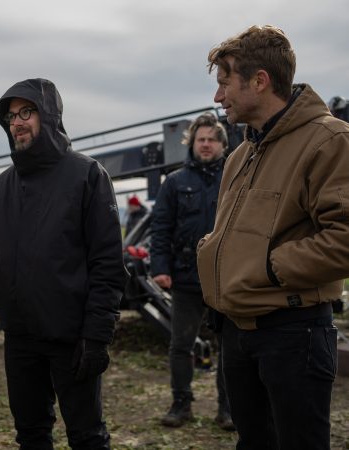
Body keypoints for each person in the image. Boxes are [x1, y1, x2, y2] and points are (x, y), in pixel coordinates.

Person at [0, 78, 125, 449]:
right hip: (20, 336)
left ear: (49, 115)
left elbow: (107, 264)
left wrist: (97, 337)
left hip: (72, 336)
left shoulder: (87, 175)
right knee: (30, 434)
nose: (17, 122)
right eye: (11, 116)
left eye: (26, 112)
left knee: (87, 436)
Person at [197, 25, 349, 449]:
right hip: (237, 332)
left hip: (293, 335)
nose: (218, 97)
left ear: (259, 81)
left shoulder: (330, 140)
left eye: (225, 82)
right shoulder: (241, 155)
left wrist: (268, 267)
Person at [149, 112, 233, 430]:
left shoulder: (234, 178)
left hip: (226, 276)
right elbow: (161, 228)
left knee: (230, 347)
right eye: (201, 139)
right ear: (192, 143)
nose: (207, 144)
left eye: (212, 139)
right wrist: (160, 268)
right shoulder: (174, 182)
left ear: (223, 144)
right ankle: (181, 405)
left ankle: (228, 408)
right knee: (181, 344)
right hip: (185, 276)